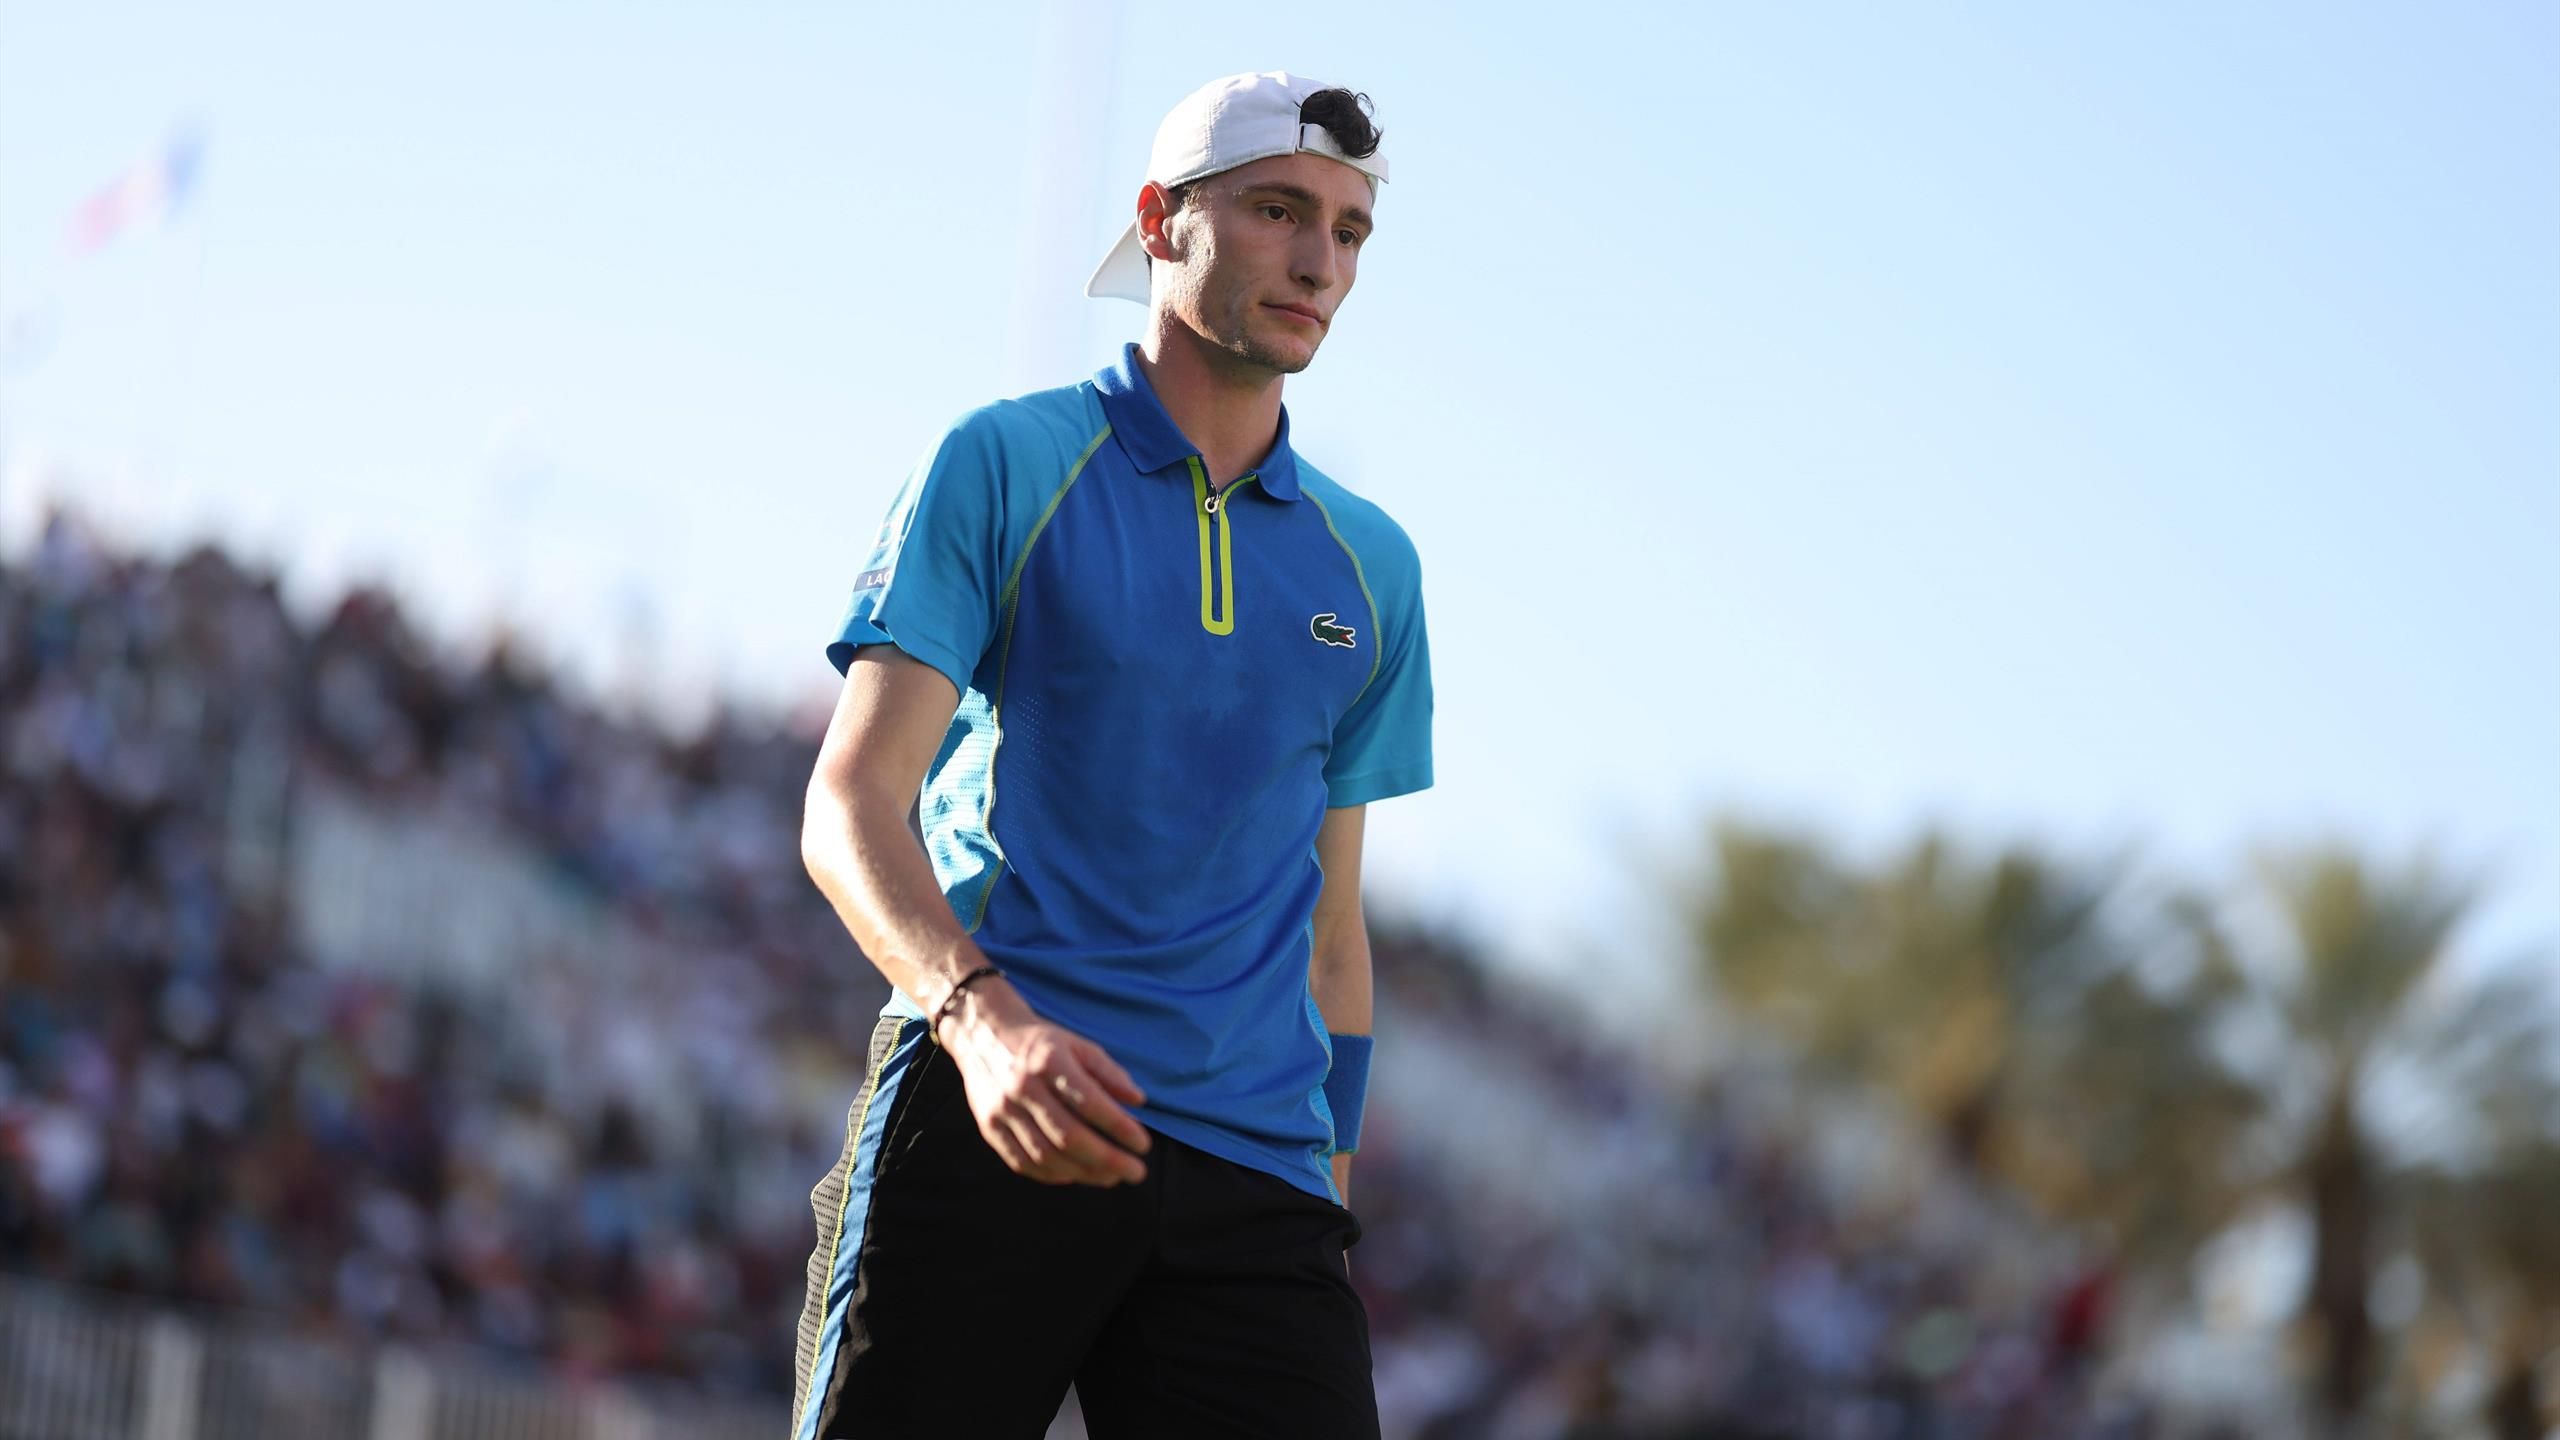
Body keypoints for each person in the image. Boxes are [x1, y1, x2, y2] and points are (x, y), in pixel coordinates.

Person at [788, 71, 1433, 1439]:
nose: (1320, 259)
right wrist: (981, 1023)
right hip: (997, 1106)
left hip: (1259, 1186)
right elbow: (850, 805)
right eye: (1277, 210)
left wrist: (1325, 1171)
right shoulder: (1005, 461)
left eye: (1350, 229)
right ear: (1160, 221)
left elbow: (1333, 933)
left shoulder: (1372, 567)